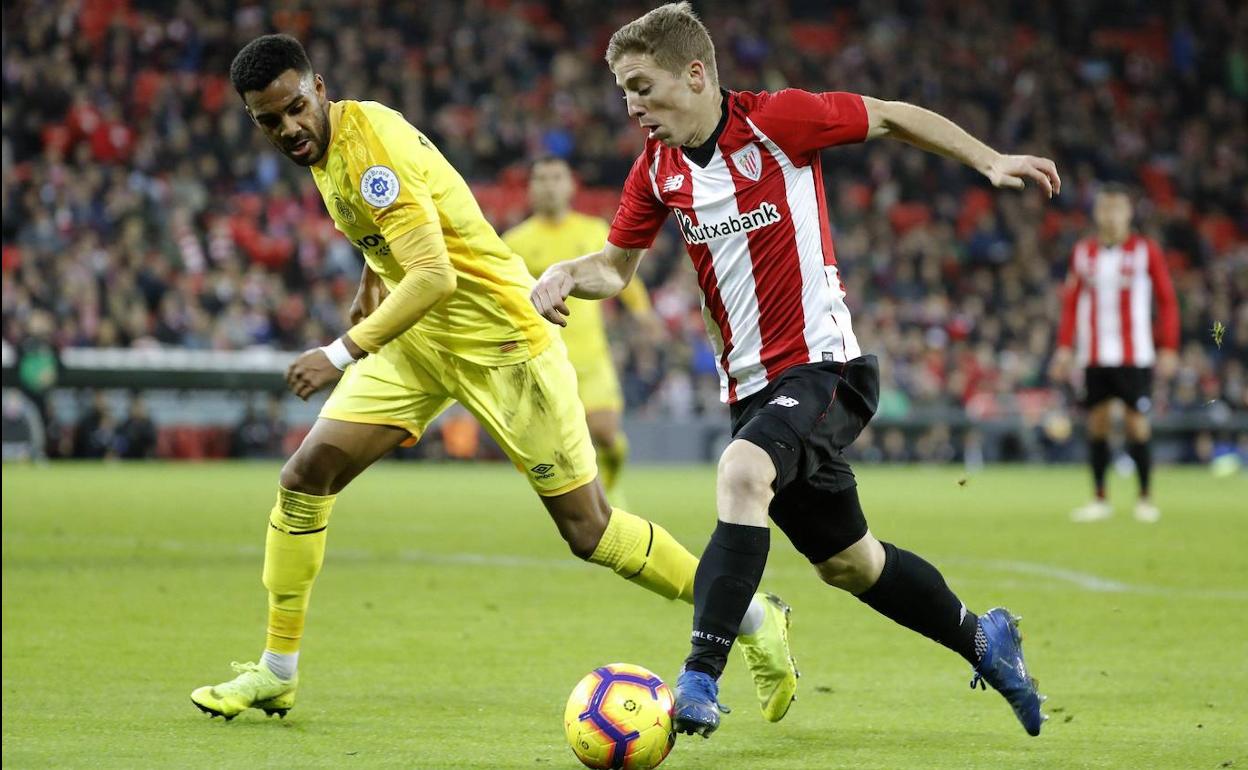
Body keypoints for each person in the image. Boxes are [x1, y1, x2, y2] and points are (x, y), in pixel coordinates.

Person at [191, 34, 796, 723]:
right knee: (306, 476)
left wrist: (340, 350)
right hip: (420, 342)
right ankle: (276, 670)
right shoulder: (332, 150)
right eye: (269, 121)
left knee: (589, 531)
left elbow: (433, 274)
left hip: (504, 346)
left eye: (296, 108)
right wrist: (369, 287)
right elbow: (392, 239)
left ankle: (752, 618)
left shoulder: (370, 154)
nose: (288, 128)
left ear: (319, 86)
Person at [531, 1, 1059, 739]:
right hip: (750, 391)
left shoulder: (778, 122)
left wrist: (989, 160)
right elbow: (616, 270)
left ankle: (698, 679)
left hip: (823, 367)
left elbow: (890, 115)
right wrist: (564, 274)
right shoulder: (655, 169)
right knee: (850, 563)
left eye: (642, 86)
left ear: (695, 73)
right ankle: (984, 639)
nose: (632, 106)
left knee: (741, 475)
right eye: (623, 91)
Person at [503, 157, 656, 499]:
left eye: (556, 177)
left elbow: (621, 274)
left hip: (591, 356)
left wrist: (643, 312)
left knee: (604, 432)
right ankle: (593, 502)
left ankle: (610, 483)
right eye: (541, 178)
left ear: (571, 185)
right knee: (562, 444)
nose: (549, 185)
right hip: (545, 357)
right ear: (530, 189)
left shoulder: (592, 230)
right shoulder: (516, 241)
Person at [1050, 184, 1179, 523]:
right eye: (1105, 209)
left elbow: (1166, 300)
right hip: (1094, 355)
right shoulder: (1083, 252)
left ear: (1129, 213)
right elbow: (1070, 303)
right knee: (1097, 425)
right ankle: (1099, 497)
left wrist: (1169, 346)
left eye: (1117, 209)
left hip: (1134, 355)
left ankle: (1145, 497)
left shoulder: (1145, 251)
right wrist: (1064, 347)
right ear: (1097, 213)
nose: (1111, 216)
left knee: (1137, 425)